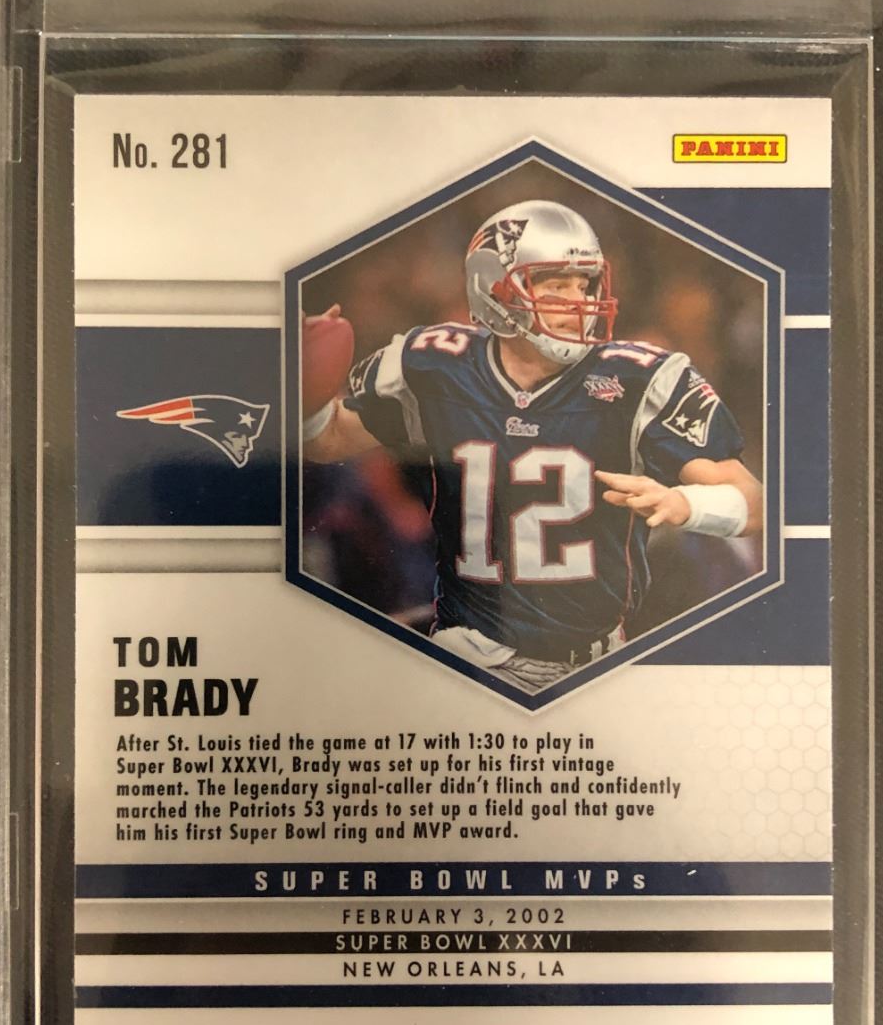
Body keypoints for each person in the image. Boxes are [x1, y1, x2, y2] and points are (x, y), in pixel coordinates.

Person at [303, 201, 761, 692]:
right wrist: (306, 388)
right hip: (467, 655)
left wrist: (685, 503)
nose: (577, 300)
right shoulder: (433, 366)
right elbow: (328, 441)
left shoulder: (637, 379)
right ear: (494, 287)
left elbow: (753, 503)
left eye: (584, 283)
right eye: (556, 284)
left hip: (593, 662)